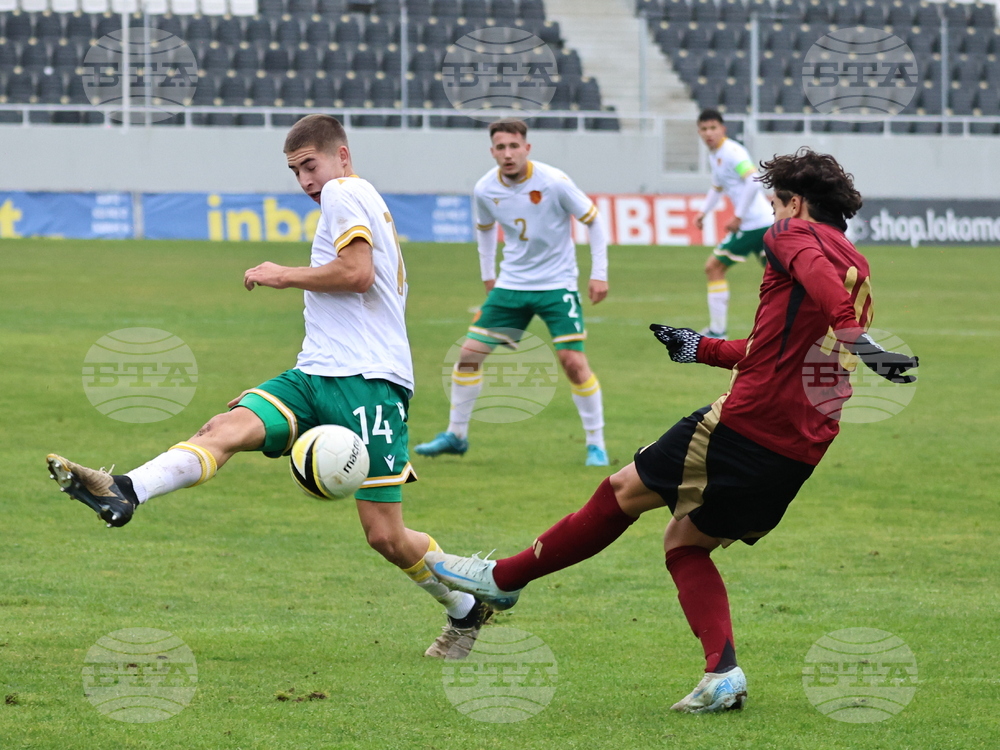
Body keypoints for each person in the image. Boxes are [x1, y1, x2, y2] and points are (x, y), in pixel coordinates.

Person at [424, 149, 919, 712]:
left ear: (796, 204)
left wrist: (854, 336)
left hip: (747, 424)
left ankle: (504, 580)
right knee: (685, 543)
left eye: (776, 204)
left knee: (620, 492)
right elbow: (777, 346)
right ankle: (722, 674)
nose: (772, 217)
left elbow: (810, 274)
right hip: (799, 451)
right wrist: (700, 347)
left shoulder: (789, 236)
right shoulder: (858, 268)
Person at [46, 115, 491, 661]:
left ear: (342, 156)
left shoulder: (345, 192)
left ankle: (470, 605)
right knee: (225, 428)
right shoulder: (350, 196)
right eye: (295, 170)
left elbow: (356, 273)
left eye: (311, 165)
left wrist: (283, 273)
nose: (305, 180)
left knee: (386, 537)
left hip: (370, 382)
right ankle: (125, 489)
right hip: (315, 372)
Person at [414, 118, 612, 466]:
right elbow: (486, 230)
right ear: (493, 151)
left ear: (527, 148)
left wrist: (599, 274)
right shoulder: (484, 189)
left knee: (572, 362)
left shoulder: (554, 182)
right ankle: (456, 436)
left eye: (514, 146)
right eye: (501, 148)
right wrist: (488, 276)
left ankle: (596, 444)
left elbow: (593, 221)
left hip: (557, 284)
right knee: (469, 355)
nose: (508, 154)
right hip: (512, 285)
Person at [694, 109, 773, 340]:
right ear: (699, 132)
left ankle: (718, 331)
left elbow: (754, 180)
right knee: (781, 276)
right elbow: (717, 187)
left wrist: (738, 216)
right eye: (704, 129)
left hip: (754, 224)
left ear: (723, 129)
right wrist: (703, 212)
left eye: (713, 128)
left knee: (714, 267)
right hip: (762, 223)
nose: (709, 133)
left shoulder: (732, 152)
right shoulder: (716, 155)